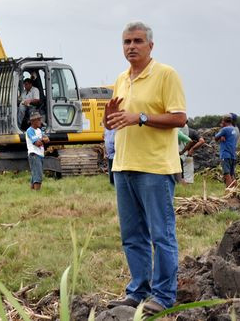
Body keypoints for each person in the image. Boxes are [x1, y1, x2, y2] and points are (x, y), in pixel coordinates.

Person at [104, 21, 187, 316]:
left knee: (161, 235)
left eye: (138, 41)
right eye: (127, 41)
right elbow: (118, 122)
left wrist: (139, 117)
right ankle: (138, 290)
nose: (131, 46)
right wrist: (109, 118)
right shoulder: (121, 78)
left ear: (151, 45)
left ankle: (164, 296)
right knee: (132, 235)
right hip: (123, 165)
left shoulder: (166, 74)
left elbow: (179, 119)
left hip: (154, 168)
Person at [25, 112, 49, 190]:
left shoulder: (39, 130)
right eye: (38, 120)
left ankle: (32, 193)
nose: (40, 121)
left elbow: (47, 139)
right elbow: (37, 143)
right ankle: (37, 193)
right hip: (34, 154)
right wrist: (42, 139)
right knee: (38, 175)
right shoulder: (30, 131)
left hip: (39, 154)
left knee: (35, 174)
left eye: (40, 119)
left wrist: (43, 139)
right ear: (32, 121)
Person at [215, 115, 238, 188]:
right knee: (232, 175)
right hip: (233, 155)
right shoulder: (235, 130)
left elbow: (216, 138)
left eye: (222, 121)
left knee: (227, 174)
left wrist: (221, 131)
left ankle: (230, 192)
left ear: (224, 121)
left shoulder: (224, 129)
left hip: (225, 154)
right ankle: (236, 192)